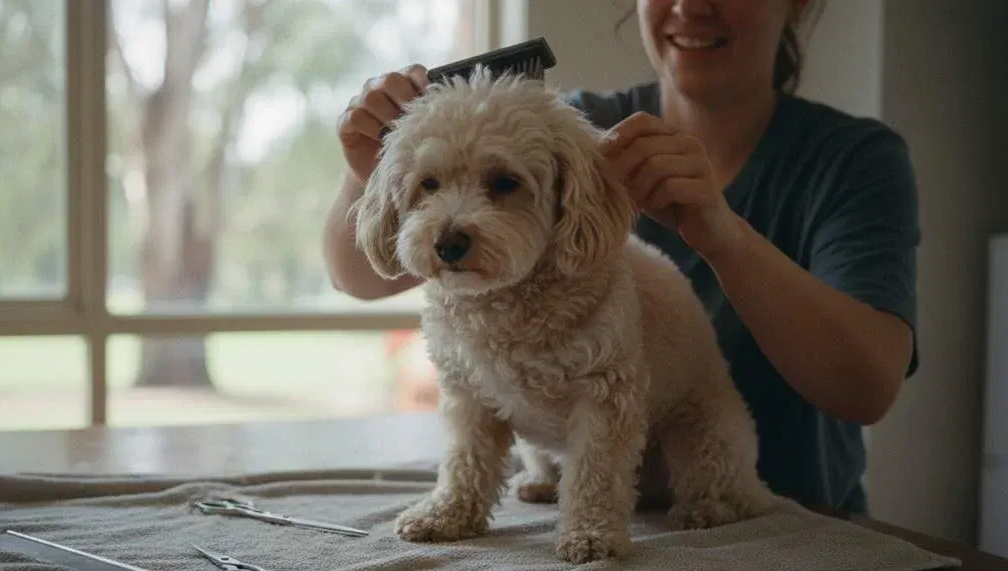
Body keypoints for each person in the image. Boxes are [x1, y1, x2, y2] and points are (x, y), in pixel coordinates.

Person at [321, 0, 920, 518]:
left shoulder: (852, 161)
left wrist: (723, 236)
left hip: (800, 535)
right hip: (591, 530)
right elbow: (358, 278)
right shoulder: (563, 128)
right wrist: (364, 174)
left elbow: (867, 390)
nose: (690, 5)